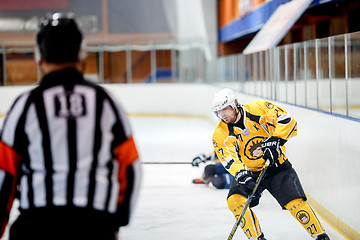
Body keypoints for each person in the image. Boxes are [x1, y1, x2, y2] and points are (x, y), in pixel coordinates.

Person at [0, 13, 141, 240]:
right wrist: (115, 223)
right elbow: (131, 167)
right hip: (95, 227)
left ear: (40, 57)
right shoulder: (105, 103)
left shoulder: (25, 106)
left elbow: (4, 174)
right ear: (81, 55)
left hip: (36, 227)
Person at [211, 88, 330, 240]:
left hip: (277, 167)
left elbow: (288, 121)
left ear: (235, 104)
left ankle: (321, 236)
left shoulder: (259, 108)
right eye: (219, 112)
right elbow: (229, 159)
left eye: (225, 109)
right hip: (251, 172)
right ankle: (257, 238)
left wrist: (276, 139)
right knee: (235, 201)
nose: (223, 115)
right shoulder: (220, 133)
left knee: (295, 202)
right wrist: (242, 175)